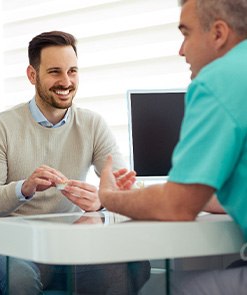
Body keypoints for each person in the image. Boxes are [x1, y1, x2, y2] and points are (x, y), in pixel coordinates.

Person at [0, 31, 150, 294]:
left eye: (72, 71)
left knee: (132, 265)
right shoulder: (0, 127)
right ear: (33, 75)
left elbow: (124, 187)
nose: (66, 81)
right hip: (16, 247)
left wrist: (103, 199)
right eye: (55, 72)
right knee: (19, 280)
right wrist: (24, 188)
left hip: (69, 246)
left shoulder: (92, 124)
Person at [98, 0, 247, 294]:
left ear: (218, 33)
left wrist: (109, 197)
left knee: (158, 289)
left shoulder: (218, 81)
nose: (182, 50)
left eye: (186, 33)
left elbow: (177, 207)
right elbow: (197, 199)